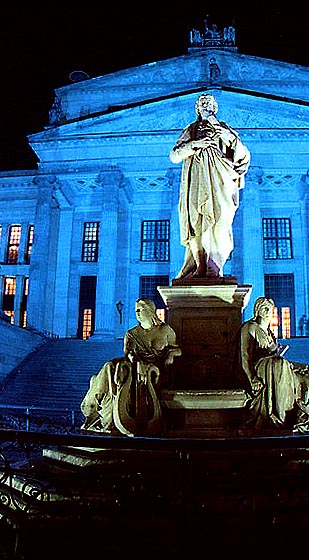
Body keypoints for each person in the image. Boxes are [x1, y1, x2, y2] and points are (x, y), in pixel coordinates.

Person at [170, 93, 250, 279]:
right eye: (202, 103)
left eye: (209, 103)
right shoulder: (191, 130)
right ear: (197, 109)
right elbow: (174, 155)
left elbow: (243, 155)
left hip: (220, 180)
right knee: (196, 220)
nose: (206, 106)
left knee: (220, 221)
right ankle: (200, 265)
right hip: (197, 180)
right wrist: (195, 144)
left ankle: (214, 264)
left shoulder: (224, 128)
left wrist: (225, 134)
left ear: (215, 108)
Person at [80, 299, 181, 433]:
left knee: (118, 369)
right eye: (136, 310)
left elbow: (176, 349)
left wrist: (170, 356)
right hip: (135, 365)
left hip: (156, 369)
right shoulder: (131, 334)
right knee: (110, 366)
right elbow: (128, 353)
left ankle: (99, 407)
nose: (137, 313)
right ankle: (97, 406)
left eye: (140, 309)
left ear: (150, 310)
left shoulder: (165, 330)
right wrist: (135, 359)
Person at [238, 297, 309, 432]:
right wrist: (252, 379)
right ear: (257, 310)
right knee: (279, 364)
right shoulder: (249, 327)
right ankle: (280, 418)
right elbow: (245, 356)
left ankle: (302, 417)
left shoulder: (269, 333)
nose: (268, 312)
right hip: (261, 368)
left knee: (306, 373)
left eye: (270, 309)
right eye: (264, 308)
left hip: (274, 366)